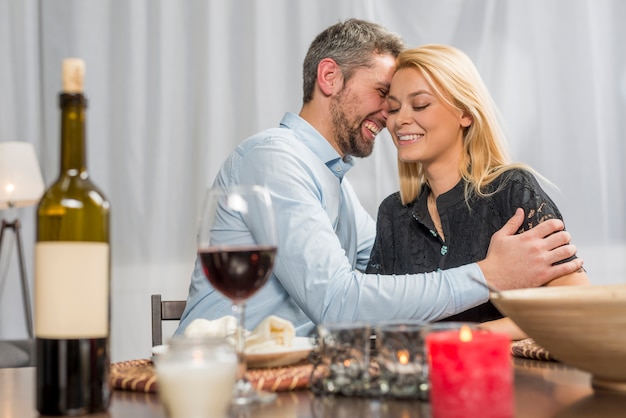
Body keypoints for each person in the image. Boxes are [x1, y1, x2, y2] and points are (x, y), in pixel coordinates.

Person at [176, 19, 583, 338]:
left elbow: (384, 287)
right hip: (229, 370)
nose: (392, 116)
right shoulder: (275, 159)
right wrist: (489, 274)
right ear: (330, 78)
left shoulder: (339, 186)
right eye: (385, 96)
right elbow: (342, 302)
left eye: (416, 102)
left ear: (464, 113)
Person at [366, 44, 589, 339]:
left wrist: (463, 338)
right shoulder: (392, 213)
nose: (399, 120)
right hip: (421, 383)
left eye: (419, 105)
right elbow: (373, 321)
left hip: (514, 381)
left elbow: (576, 305)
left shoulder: (511, 191)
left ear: (465, 114)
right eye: (393, 109)